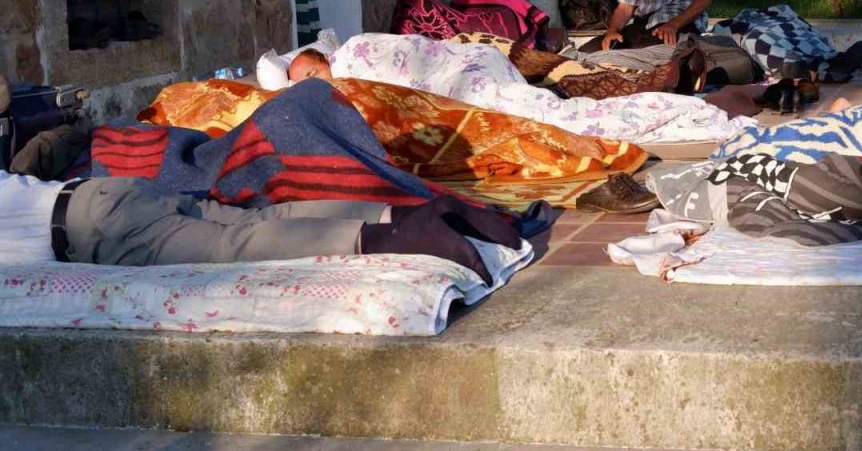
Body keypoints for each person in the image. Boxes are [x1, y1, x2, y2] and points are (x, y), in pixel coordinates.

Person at [0, 170, 522, 283]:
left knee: (234, 245)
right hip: (101, 191)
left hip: (96, 229)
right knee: (262, 217)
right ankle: (412, 213)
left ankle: (400, 236)